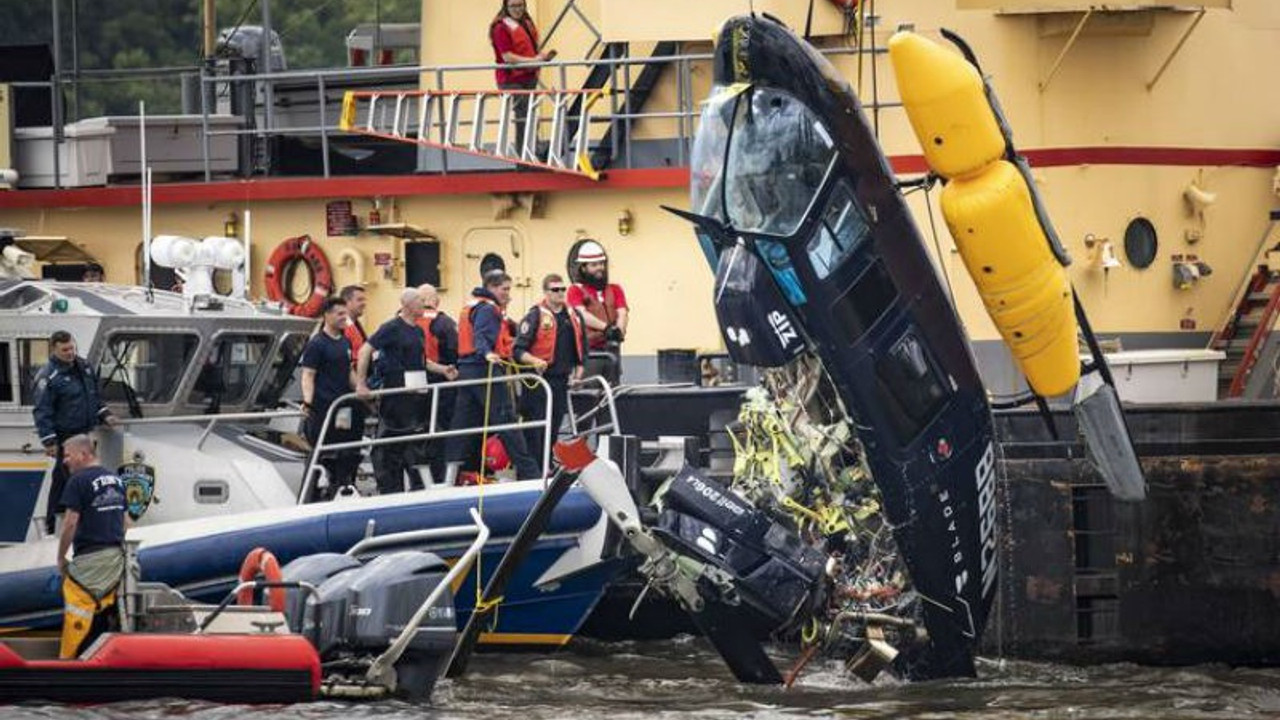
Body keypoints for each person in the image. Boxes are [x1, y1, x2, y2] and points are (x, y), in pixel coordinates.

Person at [448, 270, 541, 481]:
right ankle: (532, 475)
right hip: (485, 369)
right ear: (491, 288)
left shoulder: (472, 306)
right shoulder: (489, 310)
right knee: (506, 421)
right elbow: (481, 336)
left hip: (467, 371)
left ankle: (448, 476)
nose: (508, 294)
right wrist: (488, 353)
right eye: (504, 289)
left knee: (462, 424)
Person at [33, 331, 117, 536]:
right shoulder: (48, 376)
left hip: (84, 433)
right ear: (54, 349)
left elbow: (94, 397)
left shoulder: (84, 367)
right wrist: (50, 441)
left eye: (72, 348)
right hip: (65, 436)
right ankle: (59, 524)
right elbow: (42, 410)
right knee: (71, 479)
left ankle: (60, 522)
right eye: (65, 350)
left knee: (65, 479)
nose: (70, 353)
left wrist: (105, 414)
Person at [56, 434, 126, 659]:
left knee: (78, 599)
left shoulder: (78, 481)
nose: (64, 461)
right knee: (102, 608)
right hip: (115, 558)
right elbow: (126, 522)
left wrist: (60, 557)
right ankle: (100, 656)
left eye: (67, 455)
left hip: (90, 557)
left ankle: (69, 660)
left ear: (83, 454)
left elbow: (70, 522)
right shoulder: (115, 479)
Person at [357, 289, 430, 494]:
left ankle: (418, 488)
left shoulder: (418, 331)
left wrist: (443, 369)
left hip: (417, 396)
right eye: (420, 301)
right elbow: (365, 350)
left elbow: (421, 361)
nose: (424, 304)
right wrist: (361, 384)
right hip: (396, 397)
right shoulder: (391, 328)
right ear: (407, 305)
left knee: (415, 446)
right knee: (390, 447)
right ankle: (390, 489)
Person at [299, 297, 366, 500]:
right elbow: (308, 375)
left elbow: (348, 372)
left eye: (345, 313)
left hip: (344, 407)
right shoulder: (317, 344)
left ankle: (343, 486)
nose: (344, 317)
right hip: (324, 408)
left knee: (347, 451)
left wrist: (362, 391)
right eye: (339, 314)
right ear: (327, 315)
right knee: (322, 451)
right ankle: (312, 494)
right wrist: (307, 402)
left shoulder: (345, 341)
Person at [514, 273, 586, 456]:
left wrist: (578, 375)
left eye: (563, 289)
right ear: (546, 292)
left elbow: (582, 350)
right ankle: (534, 470)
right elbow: (518, 350)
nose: (561, 293)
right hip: (538, 381)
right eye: (555, 290)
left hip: (561, 381)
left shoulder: (573, 316)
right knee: (535, 429)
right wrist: (535, 360)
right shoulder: (535, 315)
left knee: (554, 426)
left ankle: (547, 466)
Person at [489, 0, 556, 154]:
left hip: (528, 77)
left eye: (520, 5)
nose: (517, 9)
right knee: (523, 116)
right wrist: (534, 61)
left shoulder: (526, 22)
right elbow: (507, 57)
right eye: (513, 6)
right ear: (506, 7)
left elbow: (529, 47)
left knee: (530, 114)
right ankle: (525, 157)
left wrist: (541, 57)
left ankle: (532, 151)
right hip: (511, 80)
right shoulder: (500, 28)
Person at [566, 239, 629, 382]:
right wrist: (606, 328)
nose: (599, 268)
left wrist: (619, 330)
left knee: (614, 390)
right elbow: (581, 313)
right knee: (590, 390)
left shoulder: (615, 289)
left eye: (601, 264)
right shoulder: (575, 290)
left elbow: (622, 312)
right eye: (594, 265)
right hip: (590, 353)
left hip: (612, 351)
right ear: (583, 267)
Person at [416, 284, 460, 485]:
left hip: (414, 384)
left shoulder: (404, 320)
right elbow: (455, 352)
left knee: (419, 432)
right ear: (437, 301)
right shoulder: (444, 323)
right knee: (443, 430)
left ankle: (418, 478)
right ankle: (444, 475)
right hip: (442, 382)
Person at [340, 285, 369, 370]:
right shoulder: (340, 327)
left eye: (364, 300)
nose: (364, 303)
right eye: (359, 300)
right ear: (346, 302)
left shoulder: (355, 325)